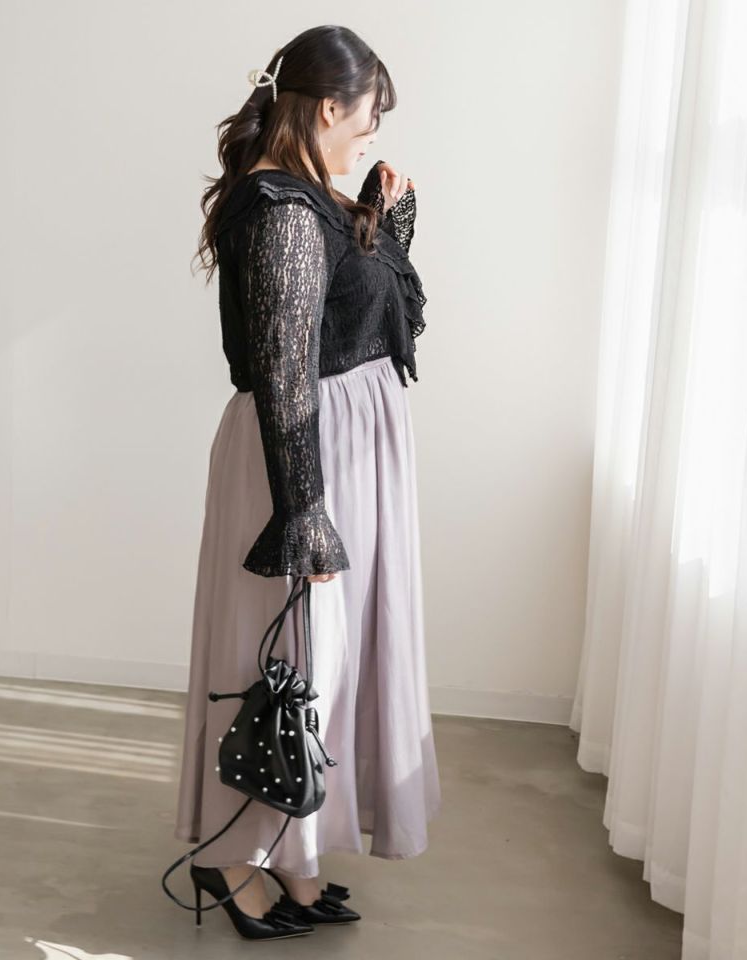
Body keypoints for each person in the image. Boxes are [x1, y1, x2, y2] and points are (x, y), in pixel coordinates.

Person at [174, 24, 441, 940]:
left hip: (340, 458)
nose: (371, 134)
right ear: (330, 107)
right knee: (283, 664)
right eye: (368, 117)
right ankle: (230, 857)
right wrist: (305, 512)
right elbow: (287, 368)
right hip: (303, 463)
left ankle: (293, 854)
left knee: (320, 668)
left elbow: (361, 309)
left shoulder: (312, 196)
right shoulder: (281, 210)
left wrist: (384, 217)